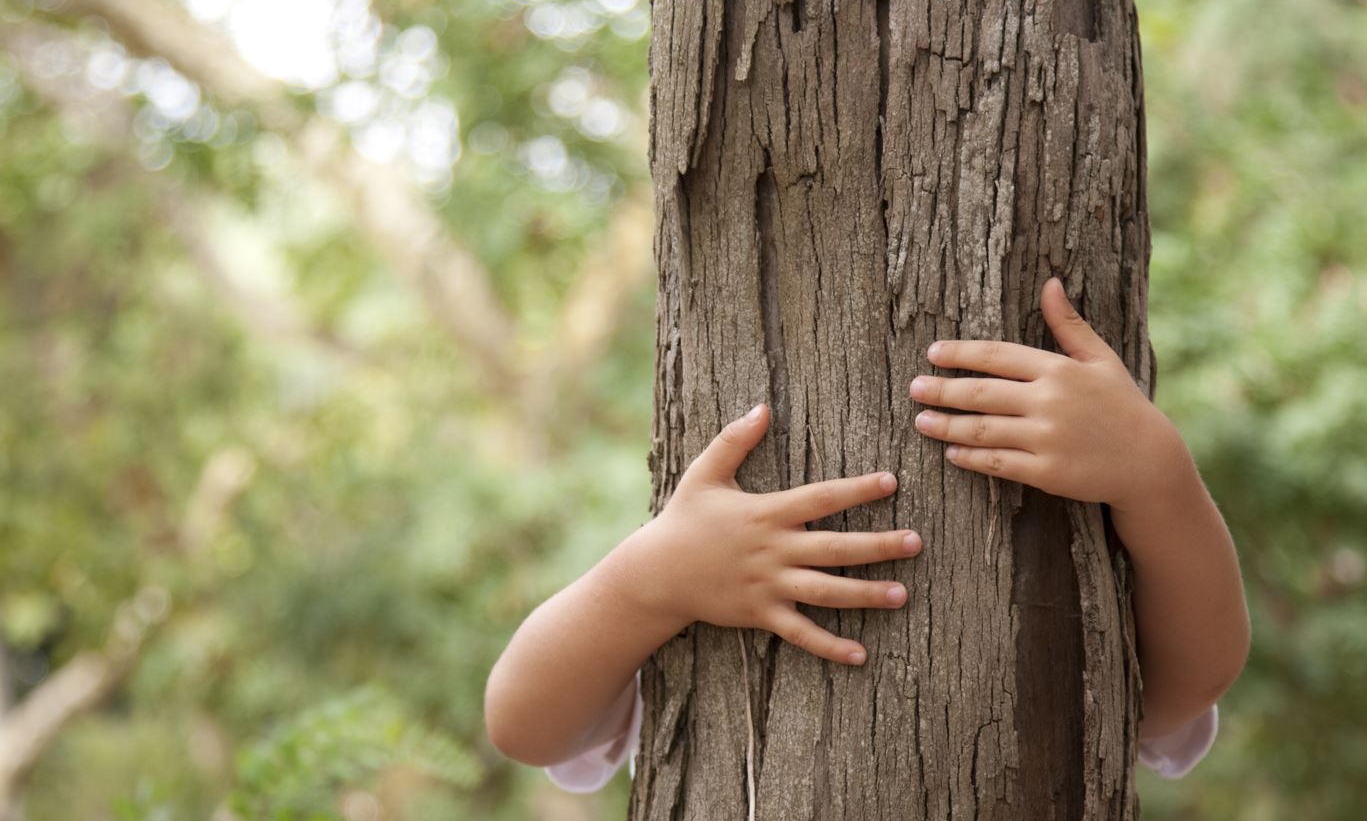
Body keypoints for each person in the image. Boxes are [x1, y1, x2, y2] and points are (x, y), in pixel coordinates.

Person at [483, 277, 1251, 791]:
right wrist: (649, 579)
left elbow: (1180, 687)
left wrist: (1157, 477)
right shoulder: (706, 604)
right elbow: (525, 723)